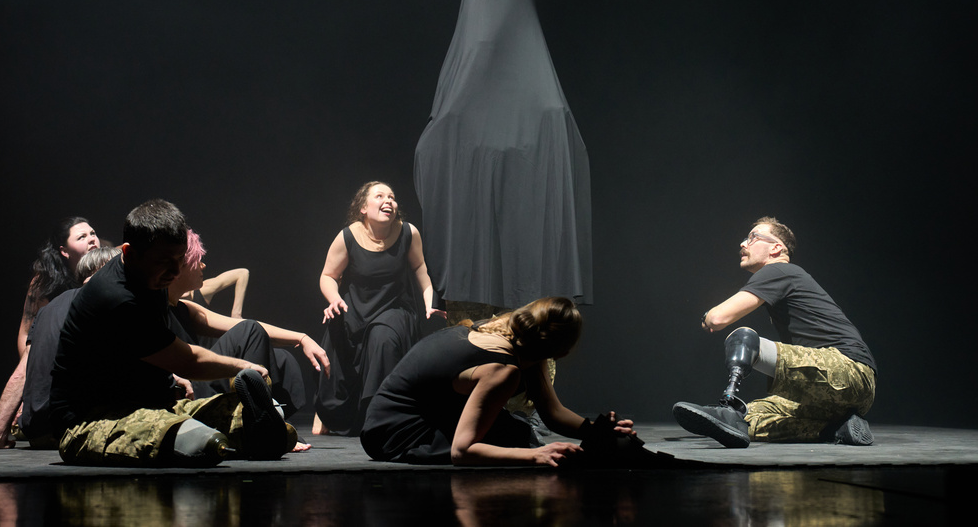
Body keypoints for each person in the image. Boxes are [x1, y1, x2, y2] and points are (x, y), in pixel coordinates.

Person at [317, 0, 696, 321]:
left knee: (554, 120)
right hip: (477, 63)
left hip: (522, 62)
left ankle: (532, 256)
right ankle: (468, 262)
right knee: (442, 137)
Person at [49, 199, 292, 466]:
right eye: (165, 261)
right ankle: (232, 441)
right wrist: (243, 366)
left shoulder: (151, 279)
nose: (176, 271)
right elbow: (189, 360)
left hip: (155, 407)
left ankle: (258, 435)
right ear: (129, 253)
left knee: (273, 427)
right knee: (204, 443)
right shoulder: (115, 296)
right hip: (91, 422)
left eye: (179, 259)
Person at [672, 217, 877, 448]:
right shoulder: (784, 275)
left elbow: (719, 318)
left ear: (777, 247)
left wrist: (706, 316)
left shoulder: (779, 269)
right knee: (748, 419)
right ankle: (837, 429)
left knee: (743, 338)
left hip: (848, 370)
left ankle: (727, 403)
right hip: (837, 392)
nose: (743, 244)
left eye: (753, 237)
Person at [360, 296, 637, 466]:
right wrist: (535, 457)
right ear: (560, 353)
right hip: (394, 431)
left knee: (515, 432)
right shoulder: (503, 369)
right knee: (516, 440)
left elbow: (553, 414)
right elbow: (462, 452)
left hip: (416, 413)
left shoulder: (510, 332)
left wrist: (599, 431)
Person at [313, 181, 443, 436]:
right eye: (380, 196)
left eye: (392, 197)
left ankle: (381, 413)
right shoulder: (348, 236)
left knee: (383, 336)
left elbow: (420, 268)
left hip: (395, 309)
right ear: (363, 207)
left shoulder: (408, 233)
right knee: (337, 325)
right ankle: (329, 412)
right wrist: (334, 299)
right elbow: (328, 275)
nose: (389, 201)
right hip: (356, 308)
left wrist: (429, 298)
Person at [166, 229, 329, 419]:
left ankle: (272, 419)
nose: (203, 265)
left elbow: (234, 325)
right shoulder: (152, 308)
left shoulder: (186, 308)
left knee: (282, 358)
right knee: (250, 330)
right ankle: (258, 425)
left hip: (202, 380)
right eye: (196, 260)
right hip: (189, 390)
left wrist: (301, 338)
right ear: (179, 266)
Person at [0, 246, 120, 450]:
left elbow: (20, 374)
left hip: (38, 432)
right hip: (74, 428)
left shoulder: (47, 310)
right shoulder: (104, 301)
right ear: (108, 269)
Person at [16, 217, 99, 356]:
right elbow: (26, 332)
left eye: (93, 233)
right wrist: (28, 370)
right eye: (81, 237)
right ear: (65, 251)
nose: (91, 239)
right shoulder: (46, 281)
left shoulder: (109, 266)